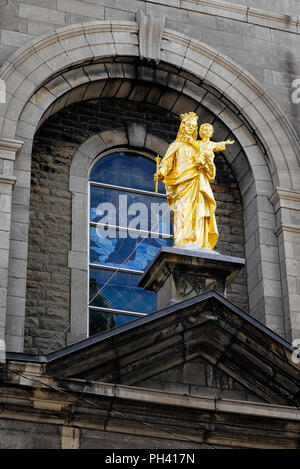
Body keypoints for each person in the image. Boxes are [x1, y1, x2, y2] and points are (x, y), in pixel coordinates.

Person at [154, 113, 234, 250]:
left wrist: (205, 163)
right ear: (183, 127)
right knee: (181, 211)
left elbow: (209, 168)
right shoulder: (176, 145)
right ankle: (181, 241)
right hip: (180, 182)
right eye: (188, 125)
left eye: (193, 126)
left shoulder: (198, 146)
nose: (190, 128)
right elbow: (166, 162)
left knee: (198, 210)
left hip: (198, 182)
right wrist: (161, 172)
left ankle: (198, 241)